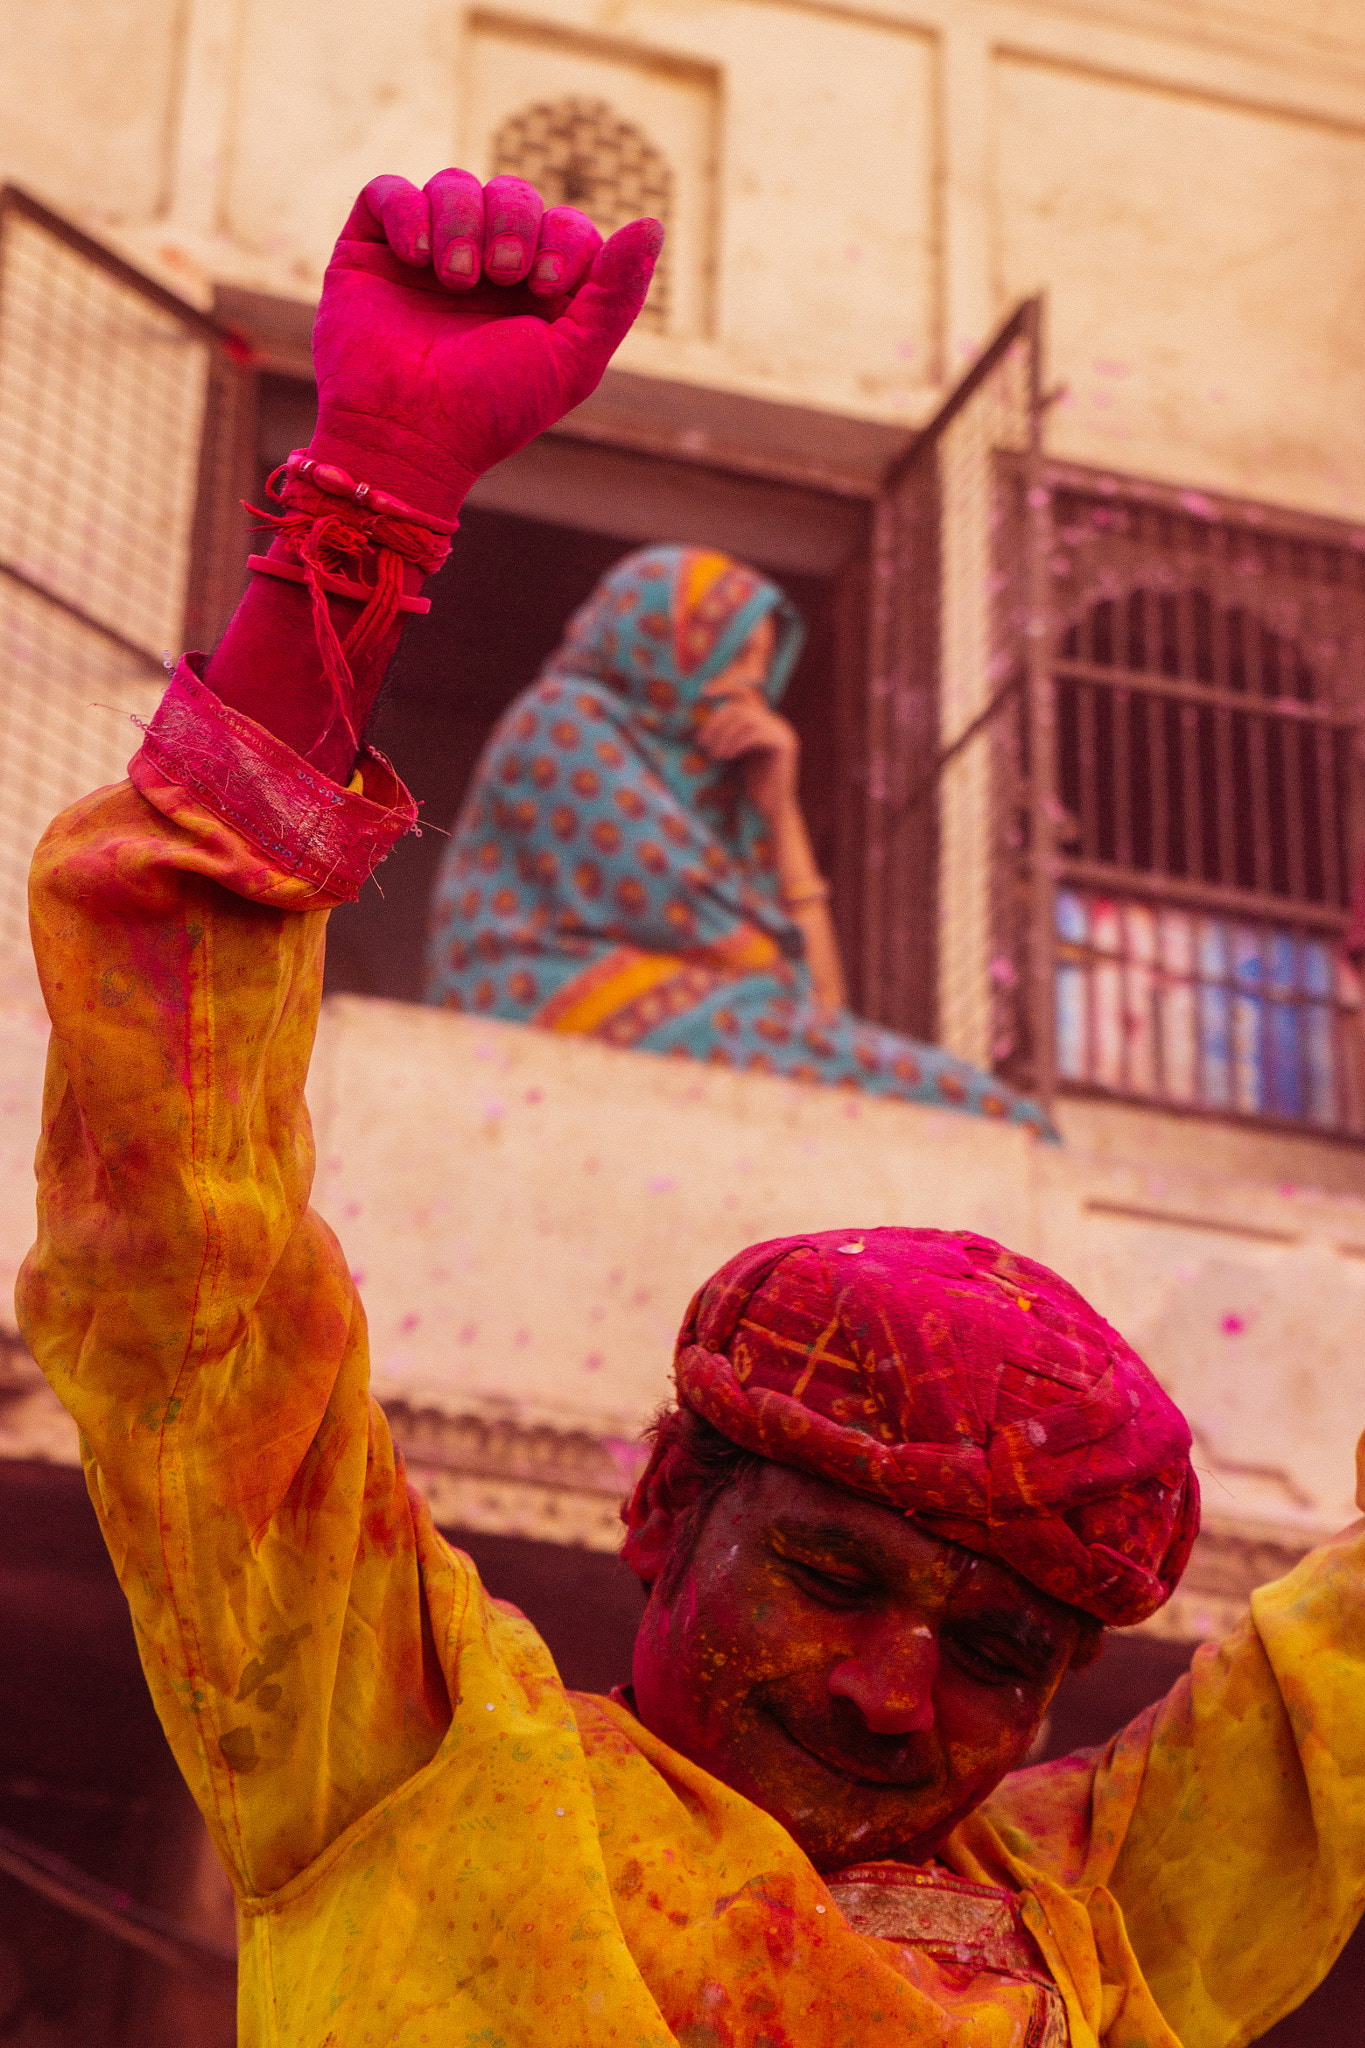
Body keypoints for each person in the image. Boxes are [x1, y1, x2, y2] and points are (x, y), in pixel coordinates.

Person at [18, 166, 1365, 2048]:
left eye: (996, 1651)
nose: (899, 1696)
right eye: (833, 1572)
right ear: (664, 1501)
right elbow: (185, 1284)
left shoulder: (1099, 1912)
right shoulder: (419, 1755)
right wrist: (363, 519)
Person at [425, 540, 1057, 1137]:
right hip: (535, 987)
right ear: (661, 645)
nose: (747, 688)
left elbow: (819, 997)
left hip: (670, 997)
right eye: (733, 657)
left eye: (761, 665)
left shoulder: (708, 781)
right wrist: (778, 973)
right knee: (938, 1097)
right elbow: (726, 937)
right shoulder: (563, 723)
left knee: (970, 1103)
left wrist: (780, 811)